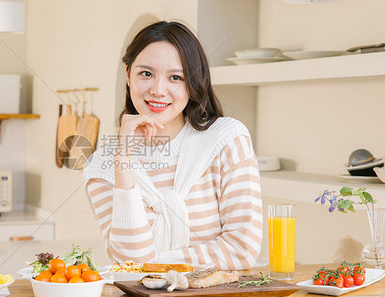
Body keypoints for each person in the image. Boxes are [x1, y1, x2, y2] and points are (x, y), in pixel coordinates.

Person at [82, 21, 262, 270]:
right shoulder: (102, 166)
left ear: (192, 83)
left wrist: (154, 263)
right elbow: (129, 260)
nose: (158, 90)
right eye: (146, 74)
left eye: (175, 77)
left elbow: (242, 250)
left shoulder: (227, 140)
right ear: (128, 75)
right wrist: (122, 162)